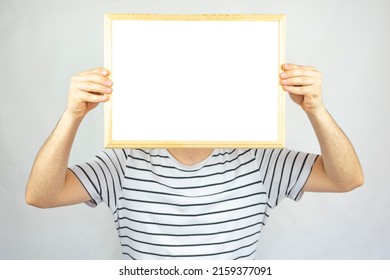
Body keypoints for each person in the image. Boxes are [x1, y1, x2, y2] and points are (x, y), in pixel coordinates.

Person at [25, 63, 364, 260]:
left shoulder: (260, 161)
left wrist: (315, 109)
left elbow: (345, 179)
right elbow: (42, 196)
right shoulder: (124, 163)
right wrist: (72, 115)